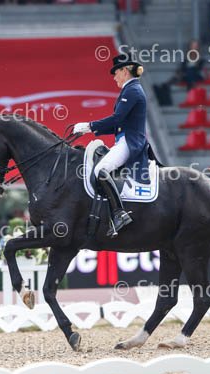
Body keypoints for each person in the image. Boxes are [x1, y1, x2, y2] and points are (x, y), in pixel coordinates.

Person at [73, 53, 149, 238]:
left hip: (129, 142)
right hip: (124, 139)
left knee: (101, 170)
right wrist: (90, 130)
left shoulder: (132, 90)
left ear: (124, 71)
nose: (114, 77)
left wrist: (90, 126)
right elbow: (118, 124)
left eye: (116, 73)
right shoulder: (130, 90)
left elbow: (117, 118)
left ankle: (119, 213)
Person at [154, 40, 205, 106]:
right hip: (185, 76)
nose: (194, 48)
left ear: (198, 48)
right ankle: (165, 87)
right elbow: (181, 69)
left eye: (195, 46)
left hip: (195, 76)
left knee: (190, 72)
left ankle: (190, 95)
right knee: (180, 75)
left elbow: (198, 70)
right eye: (192, 46)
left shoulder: (201, 60)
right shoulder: (186, 60)